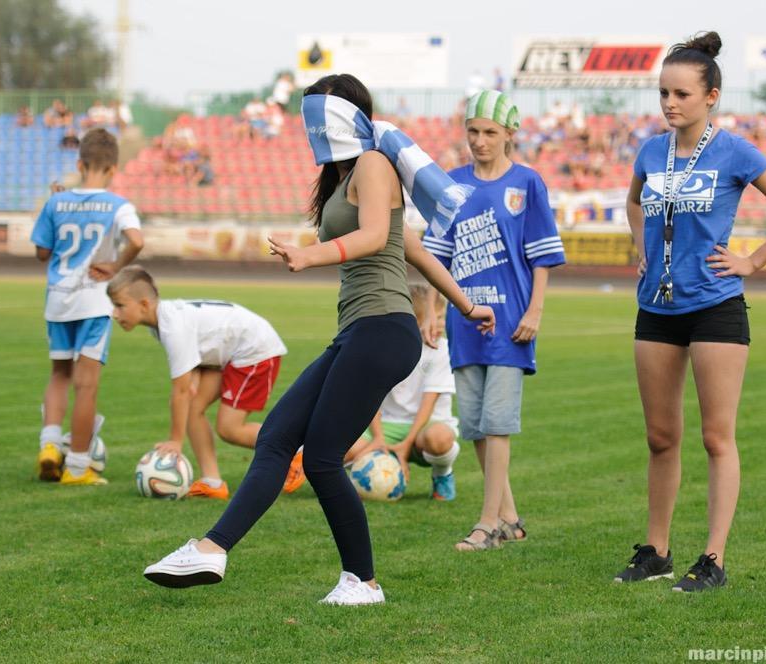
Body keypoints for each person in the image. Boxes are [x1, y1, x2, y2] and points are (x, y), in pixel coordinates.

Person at [142, 73, 494, 605]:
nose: (310, 126)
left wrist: (310, 255)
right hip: (361, 332)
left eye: (318, 113)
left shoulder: (374, 163)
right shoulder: (344, 174)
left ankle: (361, 581)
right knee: (276, 437)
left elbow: (376, 237)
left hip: (383, 328)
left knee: (323, 456)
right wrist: (467, 306)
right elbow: (415, 249)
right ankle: (213, 551)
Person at [616, 32, 766, 592]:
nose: (670, 103)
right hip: (656, 307)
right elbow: (633, 201)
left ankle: (713, 559)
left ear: (711, 97)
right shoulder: (651, 152)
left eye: (681, 93)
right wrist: (642, 245)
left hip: (715, 308)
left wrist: (752, 261)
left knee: (715, 437)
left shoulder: (735, 151)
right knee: (660, 437)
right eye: (663, 93)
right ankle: (656, 552)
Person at [423, 89, 566, 552]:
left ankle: (487, 525)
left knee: (497, 423)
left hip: (510, 323)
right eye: (473, 131)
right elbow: (436, 259)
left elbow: (541, 257)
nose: (480, 141)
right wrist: (432, 312)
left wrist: (535, 310)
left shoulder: (527, 183)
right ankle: (510, 518)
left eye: (489, 132)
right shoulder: (450, 186)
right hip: (464, 324)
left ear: (509, 134)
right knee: (475, 427)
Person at [106, 266, 305, 498]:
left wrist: (175, 441)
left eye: (120, 305)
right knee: (193, 408)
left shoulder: (172, 328)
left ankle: (298, 452)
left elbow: (180, 391)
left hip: (254, 349)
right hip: (225, 354)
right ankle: (213, 483)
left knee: (230, 428)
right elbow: (193, 365)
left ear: (144, 304)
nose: (114, 313)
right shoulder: (161, 321)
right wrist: (192, 386)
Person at [31, 128, 145, 486]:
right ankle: (78, 467)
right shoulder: (118, 205)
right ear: (113, 169)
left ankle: (50, 446)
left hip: (58, 298)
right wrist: (115, 265)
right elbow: (137, 241)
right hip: (94, 301)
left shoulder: (55, 202)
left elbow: (42, 253)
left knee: (59, 375)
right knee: (87, 385)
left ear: (79, 164)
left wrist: (58, 209)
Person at [344, 284, 461, 501]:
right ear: (412, 321)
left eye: (442, 317)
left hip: (425, 426)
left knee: (440, 438)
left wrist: (407, 444)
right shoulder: (383, 348)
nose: (441, 324)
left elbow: (428, 403)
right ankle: (374, 469)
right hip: (387, 425)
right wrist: (378, 438)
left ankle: (442, 473)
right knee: (340, 447)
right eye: (436, 317)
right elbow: (371, 398)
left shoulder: (443, 350)